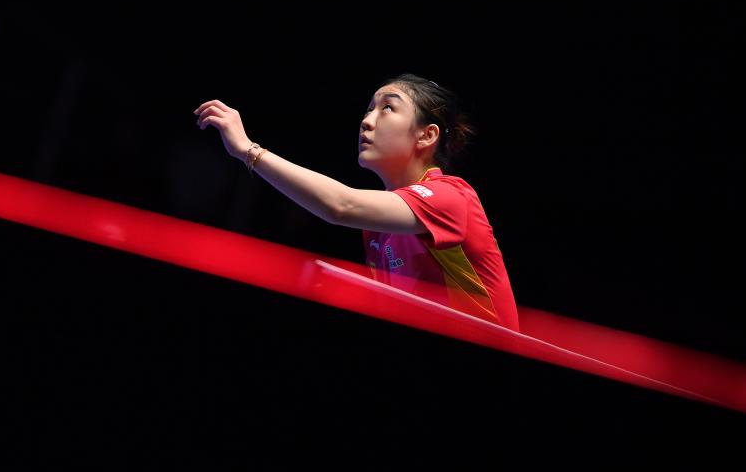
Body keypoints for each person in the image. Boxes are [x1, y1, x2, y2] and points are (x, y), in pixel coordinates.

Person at [193, 73, 519, 331]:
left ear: (426, 135)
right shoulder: (378, 231)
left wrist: (248, 150)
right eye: (368, 109)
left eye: (388, 108)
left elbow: (341, 205)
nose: (367, 120)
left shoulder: (451, 197)